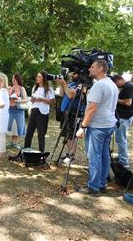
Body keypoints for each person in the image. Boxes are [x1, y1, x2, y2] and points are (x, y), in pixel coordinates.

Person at [76, 60, 118, 195]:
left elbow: (92, 108)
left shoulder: (99, 85)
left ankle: (93, 186)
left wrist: (82, 126)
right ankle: (102, 183)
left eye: (92, 67)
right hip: (108, 124)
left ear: (100, 68)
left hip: (98, 126)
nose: (89, 69)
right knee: (104, 155)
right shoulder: (111, 84)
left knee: (94, 155)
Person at [56, 72, 85, 163]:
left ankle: (72, 156)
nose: (72, 75)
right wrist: (62, 84)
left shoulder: (80, 85)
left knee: (72, 135)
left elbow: (71, 95)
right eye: (72, 73)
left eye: (75, 74)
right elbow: (61, 94)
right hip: (65, 112)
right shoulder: (70, 84)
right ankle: (68, 153)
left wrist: (64, 83)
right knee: (67, 135)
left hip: (74, 112)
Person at [24, 71, 55, 153]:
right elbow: (32, 100)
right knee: (29, 133)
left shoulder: (49, 89)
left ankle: (41, 154)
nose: (37, 78)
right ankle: (26, 152)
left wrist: (41, 99)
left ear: (44, 78)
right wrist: (32, 100)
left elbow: (52, 102)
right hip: (34, 110)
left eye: (39, 77)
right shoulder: (35, 87)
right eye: (37, 76)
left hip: (43, 113)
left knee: (41, 135)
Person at [111, 74, 133, 169]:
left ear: (118, 80)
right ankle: (121, 157)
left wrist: (115, 99)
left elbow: (128, 102)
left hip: (124, 117)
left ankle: (124, 161)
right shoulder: (127, 86)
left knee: (121, 139)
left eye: (116, 84)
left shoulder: (128, 86)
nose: (116, 86)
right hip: (124, 116)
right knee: (120, 138)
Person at [7, 73, 27, 149]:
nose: (13, 80)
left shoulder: (22, 89)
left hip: (18, 109)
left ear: (17, 79)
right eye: (12, 78)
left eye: (14, 78)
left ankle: (15, 143)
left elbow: (25, 99)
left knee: (17, 125)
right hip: (10, 109)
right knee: (11, 126)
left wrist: (18, 100)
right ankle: (12, 142)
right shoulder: (10, 88)